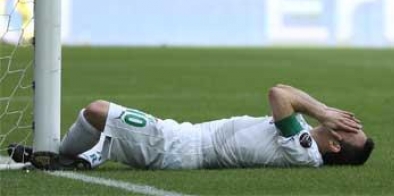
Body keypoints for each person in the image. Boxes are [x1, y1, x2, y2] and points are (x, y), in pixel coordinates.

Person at [7, 83, 373, 171]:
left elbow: (278, 93)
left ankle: (62, 156)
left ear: (337, 146)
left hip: (182, 148)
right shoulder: (308, 141)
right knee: (99, 119)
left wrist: (323, 110)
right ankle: (70, 157)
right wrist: (322, 113)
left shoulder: (306, 149)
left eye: (349, 128)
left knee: (96, 111)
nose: (347, 121)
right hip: (184, 137)